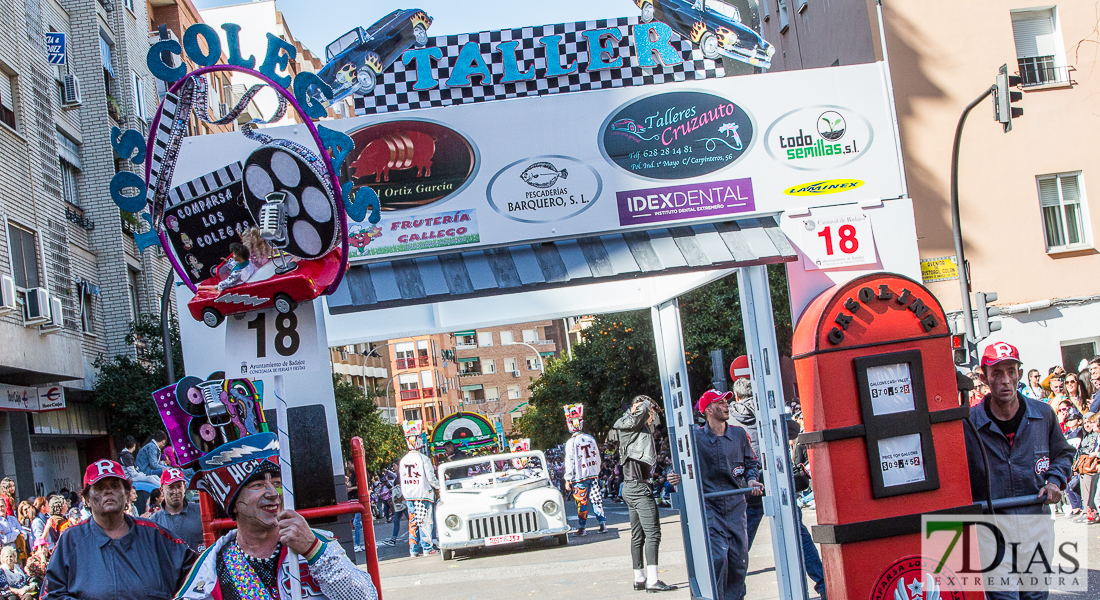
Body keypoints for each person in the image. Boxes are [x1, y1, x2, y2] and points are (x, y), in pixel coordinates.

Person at [183, 432, 377, 600]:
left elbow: (367, 597)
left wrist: (314, 551)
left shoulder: (318, 544)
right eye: (257, 485)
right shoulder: (213, 566)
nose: (273, 493)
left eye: (276, 482)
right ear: (232, 504)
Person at [963, 342, 1074, 599]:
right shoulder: (969, 424)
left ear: (1020, 374)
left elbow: (1063, 453)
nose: (1006, 381)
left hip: (1035, 526)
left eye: (1011, 372)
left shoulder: (1043, 415)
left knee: (1035, 596)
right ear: (984, 378)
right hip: (991, 531)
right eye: (997, 373)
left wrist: (1055, 481)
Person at [44, 460, 195, 600]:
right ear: (86, 499)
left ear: (127, 493)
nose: (108, 492)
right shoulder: (71, 540)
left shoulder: (156, 536)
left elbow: (198, 576)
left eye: (115, 486)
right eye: (100, 487)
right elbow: (51, 593)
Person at [691, 390, 763, 600]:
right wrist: (675, 477)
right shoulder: (696, 438)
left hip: (736, 506)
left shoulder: (739, 434)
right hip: (711, 506)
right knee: (718, 558)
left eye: (726, 401)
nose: (726, 405)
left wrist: (751, 479)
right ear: (709, 410)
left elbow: (751, 462)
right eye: (720, 402)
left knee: (738, 561)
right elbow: (683, 466)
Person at [611, 395, 675, 593]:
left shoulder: (635, 428)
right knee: (653, 533)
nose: (650, 415)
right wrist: (644, 405)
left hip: (632, 486)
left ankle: (639, 578)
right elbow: (633, 415)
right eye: (647, 412)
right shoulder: (631, 424)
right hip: (638, 487)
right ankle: (653, 580)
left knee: (638, 535)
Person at [727, 378, 765, 550]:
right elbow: (792, 429)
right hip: (771, 472)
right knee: (796, 526)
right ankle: (819, 573)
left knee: (746, 517)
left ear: (736, 394)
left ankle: (738, 557)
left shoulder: (730, 417)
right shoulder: (764, 408)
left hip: (744, 475)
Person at [562, 404, 608, 536]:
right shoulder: (590, 439)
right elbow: (597, 458)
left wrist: (567, 479)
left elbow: (569, 462)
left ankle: (582, 527)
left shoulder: (571, 442)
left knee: (581, 502)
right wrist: (596, 472)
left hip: (579, 477)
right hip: (593, 475)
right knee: (596, 499)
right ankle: (602, 523)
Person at [398, 421, 438, 557]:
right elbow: (431, 478)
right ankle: (427, 547)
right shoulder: (423, 459)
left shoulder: (403, 460)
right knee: (425, 521)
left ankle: (413, 550)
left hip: (409, 495)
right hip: (423, 494)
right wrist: (440, 486)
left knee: (413, 522)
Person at [150, 468, 204, 552]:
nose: (176, 491)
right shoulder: (154, 522)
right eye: (171, 487)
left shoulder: (201, 511)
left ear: (185, 487)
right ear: (161, 490)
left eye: (179, 486)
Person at [1075, 413, 1100, 524]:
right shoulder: (1089, 436)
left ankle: (1092, 511)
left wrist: (1096, 455)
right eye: (1086, 423)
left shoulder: (1095, 436)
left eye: (1092, 422)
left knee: (1096, 496)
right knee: (1083, 476)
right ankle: (1087, 510)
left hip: (1095, 466)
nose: (1089, 425)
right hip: (1092, 466)